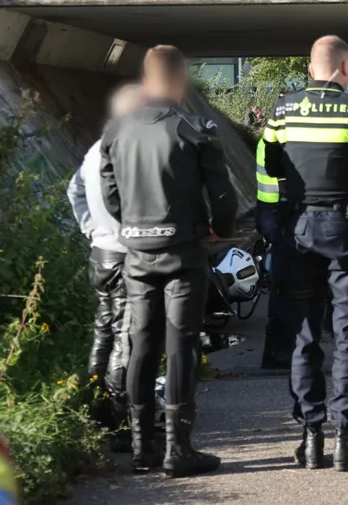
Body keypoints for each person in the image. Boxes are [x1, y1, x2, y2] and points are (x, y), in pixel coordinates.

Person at [101, 45, 238, 477]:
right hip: (182, 252)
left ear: (146, 80)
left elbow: (110, 196)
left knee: (142, 344)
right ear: (180, 81)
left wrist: (134, 227)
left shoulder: (116, 130)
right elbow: (222, 194)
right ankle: (178, 449)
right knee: (182, 346)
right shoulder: (195, 129)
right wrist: (218, 227)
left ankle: (141, 448)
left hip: (138, 255)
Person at [262, 35, 348, 472]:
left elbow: (272, 165)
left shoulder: (282, 109)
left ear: (309, 67)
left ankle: (310, 436)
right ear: (347, 68)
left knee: (304, 333)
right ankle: (345, 438)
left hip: (298, 228)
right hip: (344, 229)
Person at [67, 82, 144, 451]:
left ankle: (96, 413)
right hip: (127, 254)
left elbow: (73, 190)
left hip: (101, 253)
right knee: (125, 340)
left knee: (104, 333)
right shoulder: (130, 150)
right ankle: (119, 423)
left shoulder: (95, 150)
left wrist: (91, 228)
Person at [257, 136, 292, 370]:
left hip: (269, 211)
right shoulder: (286, 137)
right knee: (286, 285)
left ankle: (276, 349)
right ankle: (279, 350)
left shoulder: (268, 137)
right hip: (282, 211)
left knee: (282, 283)